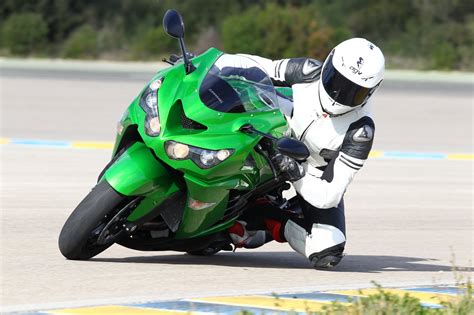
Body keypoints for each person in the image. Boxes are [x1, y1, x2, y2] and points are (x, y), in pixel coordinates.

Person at [228, 38, 385, 269]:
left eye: (354, 92)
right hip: (267, 138)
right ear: (329, 63)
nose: (340, 94)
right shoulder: (307, 71)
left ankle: (268, 216)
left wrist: (296, 171)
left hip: (310, 174)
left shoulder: (360, 130)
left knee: (327, 249)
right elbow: (257, 65)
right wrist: (212, 62)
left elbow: (330, 195)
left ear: (371, 92)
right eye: (336, 80)